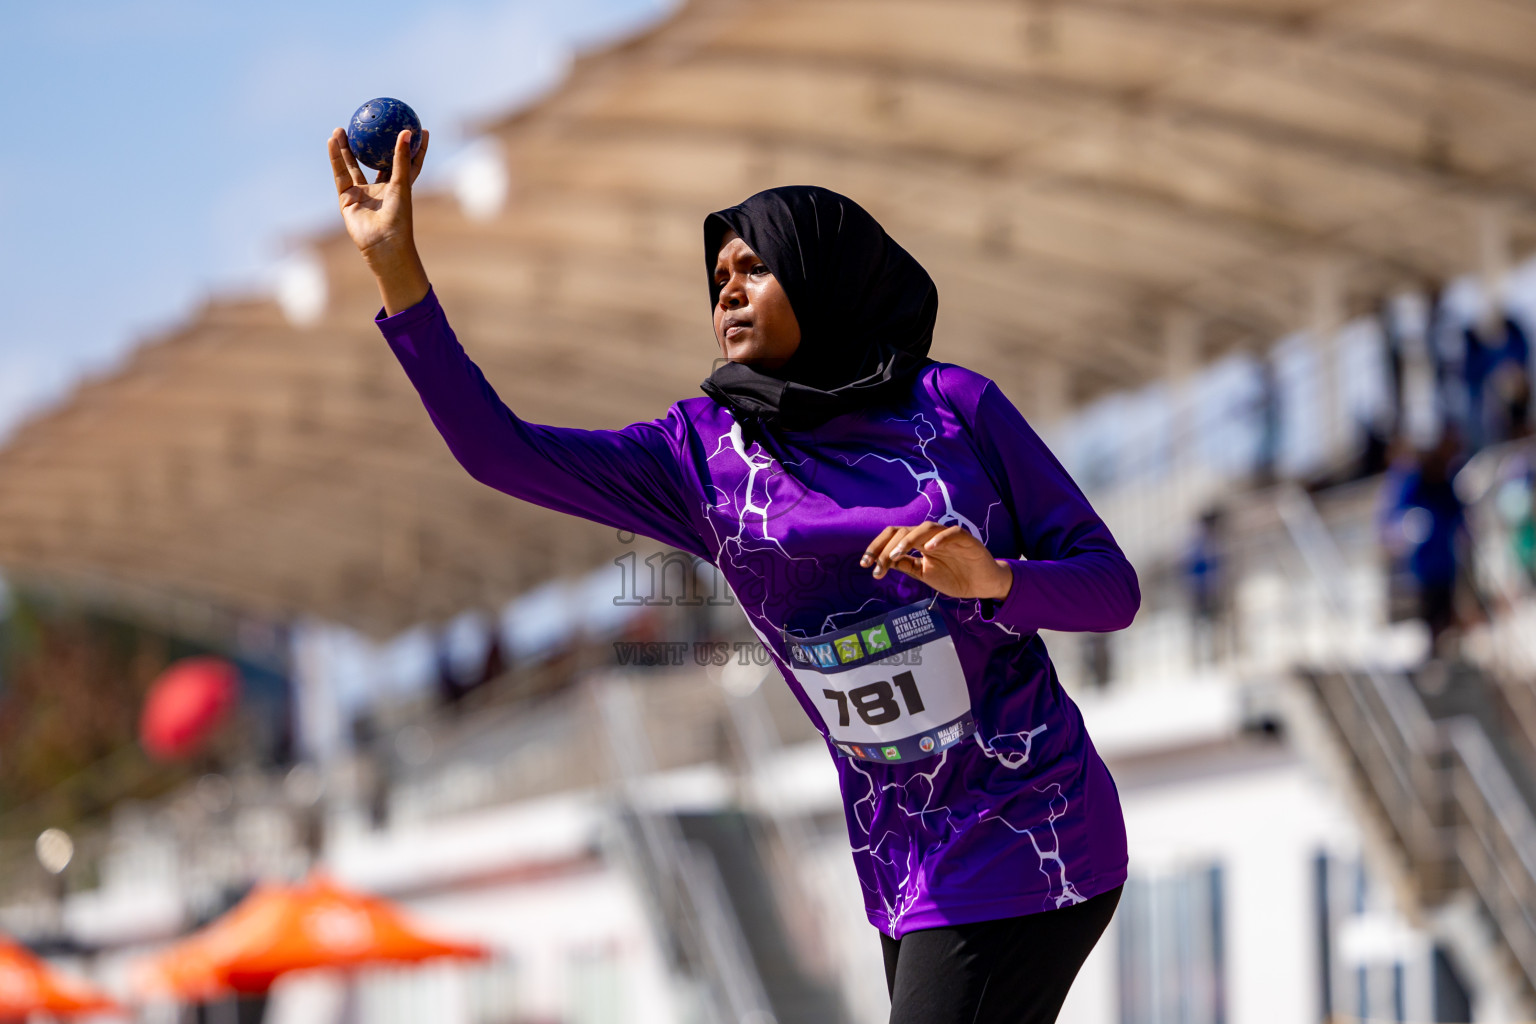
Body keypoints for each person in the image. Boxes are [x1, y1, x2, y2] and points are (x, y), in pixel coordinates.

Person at [328, 127, 1140, 1024]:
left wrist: (994, 580)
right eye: (718, 279)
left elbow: (1112, 587)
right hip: (900, 857)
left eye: (753, 267)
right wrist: (398, 273)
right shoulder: (699, 455)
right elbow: (498, 452)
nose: (727, 290)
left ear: (823, 275)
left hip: (1030, 822)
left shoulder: (955, 407)